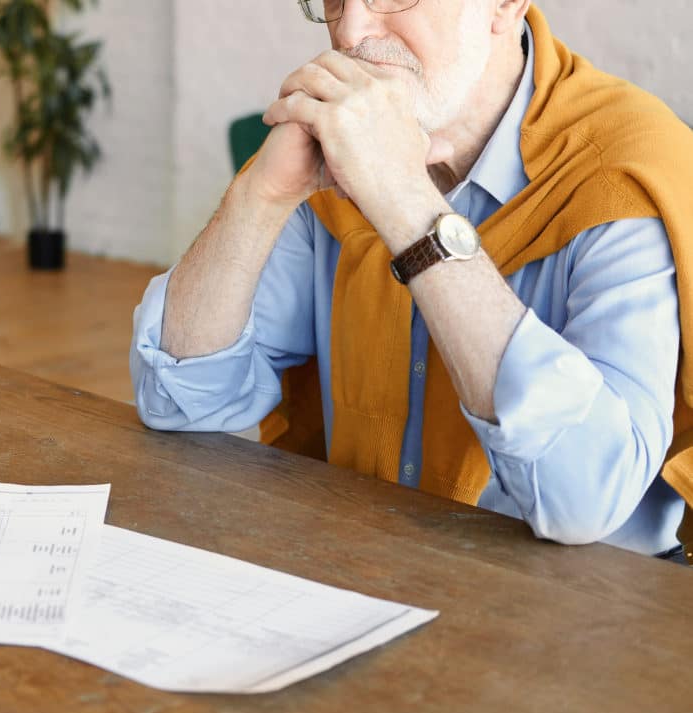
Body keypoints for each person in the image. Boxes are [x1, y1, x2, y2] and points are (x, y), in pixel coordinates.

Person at [130, 0, 693, 562]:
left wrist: (404, 201)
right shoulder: (336, 156)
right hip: (365, 567)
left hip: (591, 614)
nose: (349, 31)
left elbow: (585, 501)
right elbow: (179, 402)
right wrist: (260, 195)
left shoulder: (622, 172)